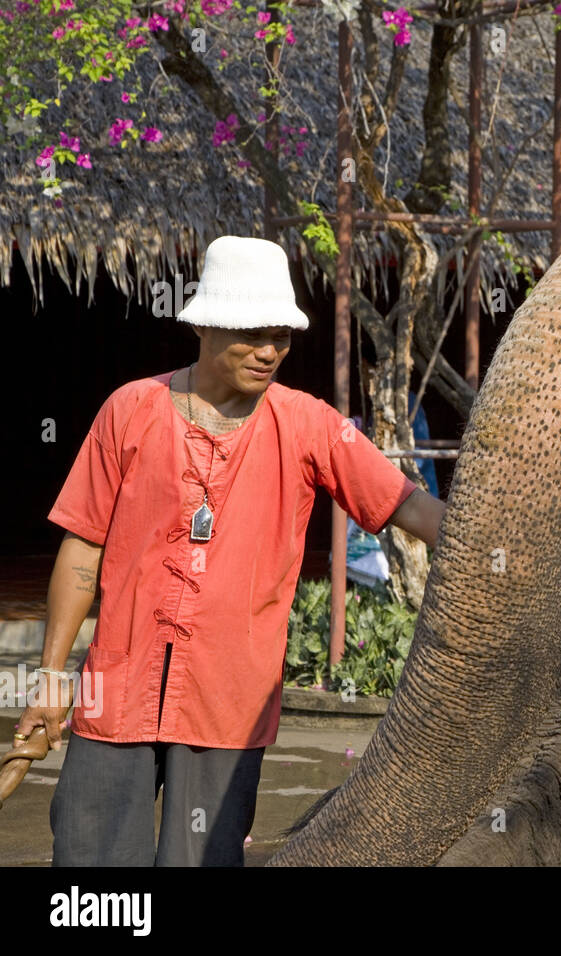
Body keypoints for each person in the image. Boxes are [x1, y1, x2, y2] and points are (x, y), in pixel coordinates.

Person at [14, 235, 446, 865]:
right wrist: (52, 676)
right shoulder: (129, 410)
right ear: (204, 326)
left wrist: (507, 539)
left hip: (229, 702)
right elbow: (83, 546)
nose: (269, 351)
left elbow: (406, 505)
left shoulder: (310, 425)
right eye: (251, 334)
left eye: (282, 335)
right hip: (117, 688)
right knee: (91, 870)